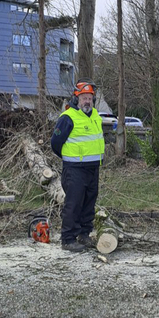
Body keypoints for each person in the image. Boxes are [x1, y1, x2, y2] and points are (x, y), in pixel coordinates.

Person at [50, 81, 104, 252]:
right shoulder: (68, 117)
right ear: (76, 98)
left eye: (89, 98)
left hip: (93, 167)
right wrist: (69, 158)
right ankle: (68, 239)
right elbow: (55, 143)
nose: (87, 101)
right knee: (73, 204)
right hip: (74, 169)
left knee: (89, 202)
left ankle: (84, 234)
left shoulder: (95, 115)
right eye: (84, 98)